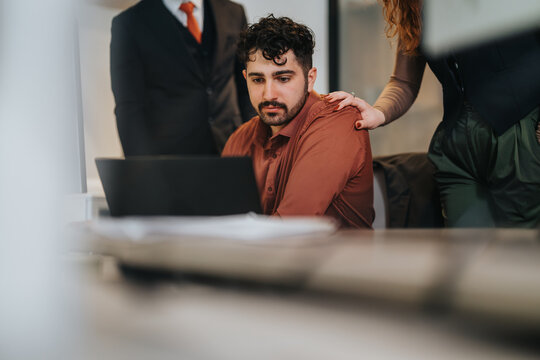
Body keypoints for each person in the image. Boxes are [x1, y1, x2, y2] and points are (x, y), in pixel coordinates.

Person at [327, 0, 540, 228]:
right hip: (457, 150)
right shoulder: (413, 7)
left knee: (519, 250)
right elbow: (403, 82)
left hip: (518, 137)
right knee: (465, 253)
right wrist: (377, 113)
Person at [222, 15, 374, 228]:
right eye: (258, 80)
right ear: (245, 78)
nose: (268, 94)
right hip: (258, 259)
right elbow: (222, 224)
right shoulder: (240, 139)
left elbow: (291, 226)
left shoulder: (338, 120)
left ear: (310, 79)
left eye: (283, 78)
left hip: (337, 261)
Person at [110, 0, 255, 156]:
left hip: (233, 151)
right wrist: (143, 171)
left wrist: (254, 144)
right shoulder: (129, 23)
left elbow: (248, 89)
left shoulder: (234, 12)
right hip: (171, 162)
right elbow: (129, 107)